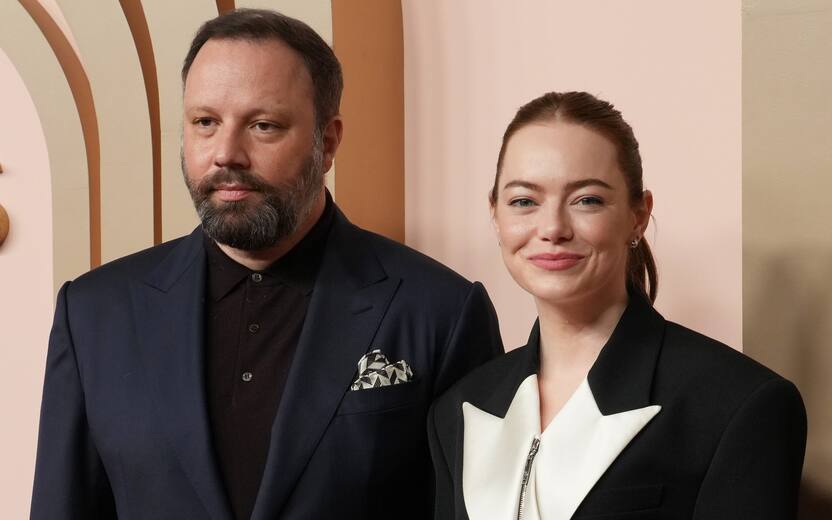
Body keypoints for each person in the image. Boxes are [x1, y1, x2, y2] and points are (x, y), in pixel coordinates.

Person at [30, 9, 502, 520]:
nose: (226, 153)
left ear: (329, 142)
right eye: (205, 122)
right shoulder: (93, 313)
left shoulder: (442, 311)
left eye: (264, 125)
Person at [428, 91, 807, 519]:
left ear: (638, 215)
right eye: (524, 201)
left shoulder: (738, 405)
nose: (552, 227)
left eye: (586, 200)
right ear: (495, 214)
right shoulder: (459, 408)